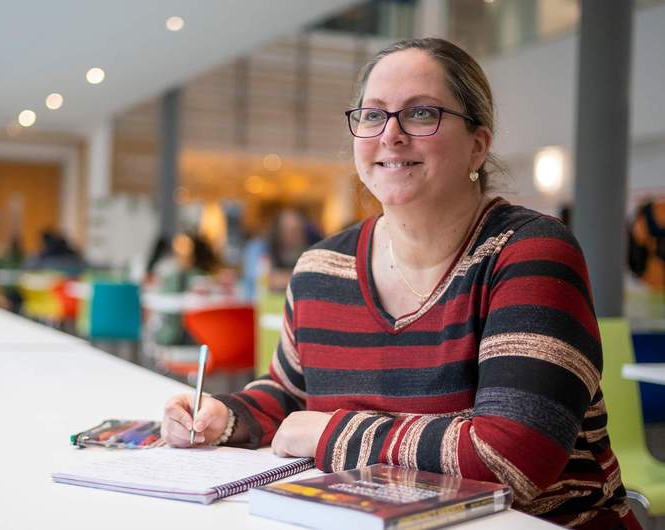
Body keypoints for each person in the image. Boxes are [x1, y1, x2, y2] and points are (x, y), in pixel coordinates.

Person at [161, 38, 639, 530]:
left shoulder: (529, 253)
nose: (390, 135)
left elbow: (511, 458)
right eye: (372, 115)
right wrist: (225, 415)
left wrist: (330, 434)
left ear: (478, 143)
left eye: (421, 113)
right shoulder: (320, 269)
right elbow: (291, 395)